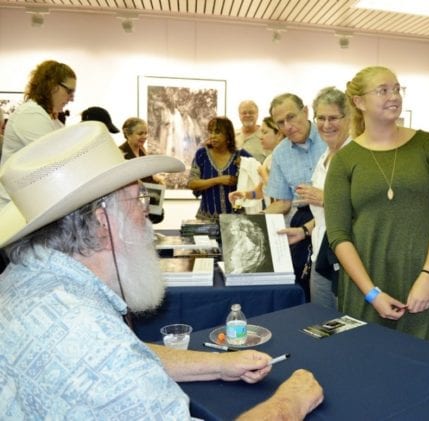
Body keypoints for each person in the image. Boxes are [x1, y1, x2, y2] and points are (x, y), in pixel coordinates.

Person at [0, 121, 323, 418]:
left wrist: (221, 364)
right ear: (102, 221)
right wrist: (289, 402)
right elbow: (109, 356)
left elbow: (129, 352)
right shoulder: (91, 337)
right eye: (138, 199)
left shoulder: (25, 278)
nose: (146, 211)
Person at [324, 66, 429, 344]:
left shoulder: (428, 145)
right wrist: (371, 293)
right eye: (383, 90)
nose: (393, 96)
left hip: (425, 281)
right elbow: (338, 234)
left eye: (397, 89)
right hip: (367, 285)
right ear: (359, 102)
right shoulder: (344, 160)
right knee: (370, 367)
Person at [279, 86, 351, 309]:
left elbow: (366, 210)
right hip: (320, 254)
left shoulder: (356, 155)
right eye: (321, 118)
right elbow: (323, 215)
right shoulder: (324, 157)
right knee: (321, 322)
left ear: (348, 118)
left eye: (333, 118)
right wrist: (304, 231)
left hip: (347, 260)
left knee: (346, 325)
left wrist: (327, 198)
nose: (326, 125)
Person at [266, 93, 327, 298]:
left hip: (333, 214)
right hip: (302, 218)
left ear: (306, 111)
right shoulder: (281, 153)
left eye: (291, 117)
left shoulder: (329, 136)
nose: (287, 126)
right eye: (280, 123)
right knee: (302, 287)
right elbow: (283, 202)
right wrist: (250, 221)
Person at [0, 59, 76, 210]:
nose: (72, 98)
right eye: (69, 91)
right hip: (14, 208)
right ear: (52, 86)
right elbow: (57, 159)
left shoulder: (51, 120)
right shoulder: (31, 114)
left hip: (27, 204)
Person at [187, 116, 251, 220]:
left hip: (236, 221)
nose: (212, 136)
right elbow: (191, 183)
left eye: (217, 132)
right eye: (210, 132)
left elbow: (258, 179)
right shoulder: (202, 154)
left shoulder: (241, 156)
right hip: (206, 220)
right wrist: (218, 180)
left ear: (228, 135)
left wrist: (241, 175)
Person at [228, 116, 284, 208]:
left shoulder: (285, 160)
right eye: (260, 133)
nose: (260, 137)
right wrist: (244, 194)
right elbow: (260, 192)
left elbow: (280, 194)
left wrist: (264, 174)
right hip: (273, 214)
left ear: (279, 134)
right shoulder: (269, 159)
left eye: (265, 132)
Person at [120, 117, 166, 223]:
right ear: (128, 134)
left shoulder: (142, 150)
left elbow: (145, 172)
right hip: (130, 205)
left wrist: (157, 178)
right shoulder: (120, 153)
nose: (144, 137)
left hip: (146, 201)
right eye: (140, 133)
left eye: (146, 133)